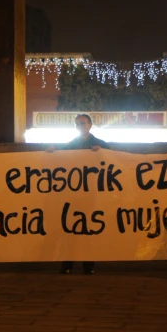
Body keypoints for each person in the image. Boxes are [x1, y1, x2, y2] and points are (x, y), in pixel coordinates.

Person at [50, 114, 108, 275]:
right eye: (77, 124)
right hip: (72, 194)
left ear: (90, 124)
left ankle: (88, 265)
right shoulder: (70, 145)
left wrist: (102, 153)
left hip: (91, 194)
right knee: (69, 228)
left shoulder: (101, 145)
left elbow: (113, 160)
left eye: (82, 123)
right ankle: (67, 264)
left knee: (88, 228)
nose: (80, 126)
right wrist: (52, 153)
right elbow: (58, 158)